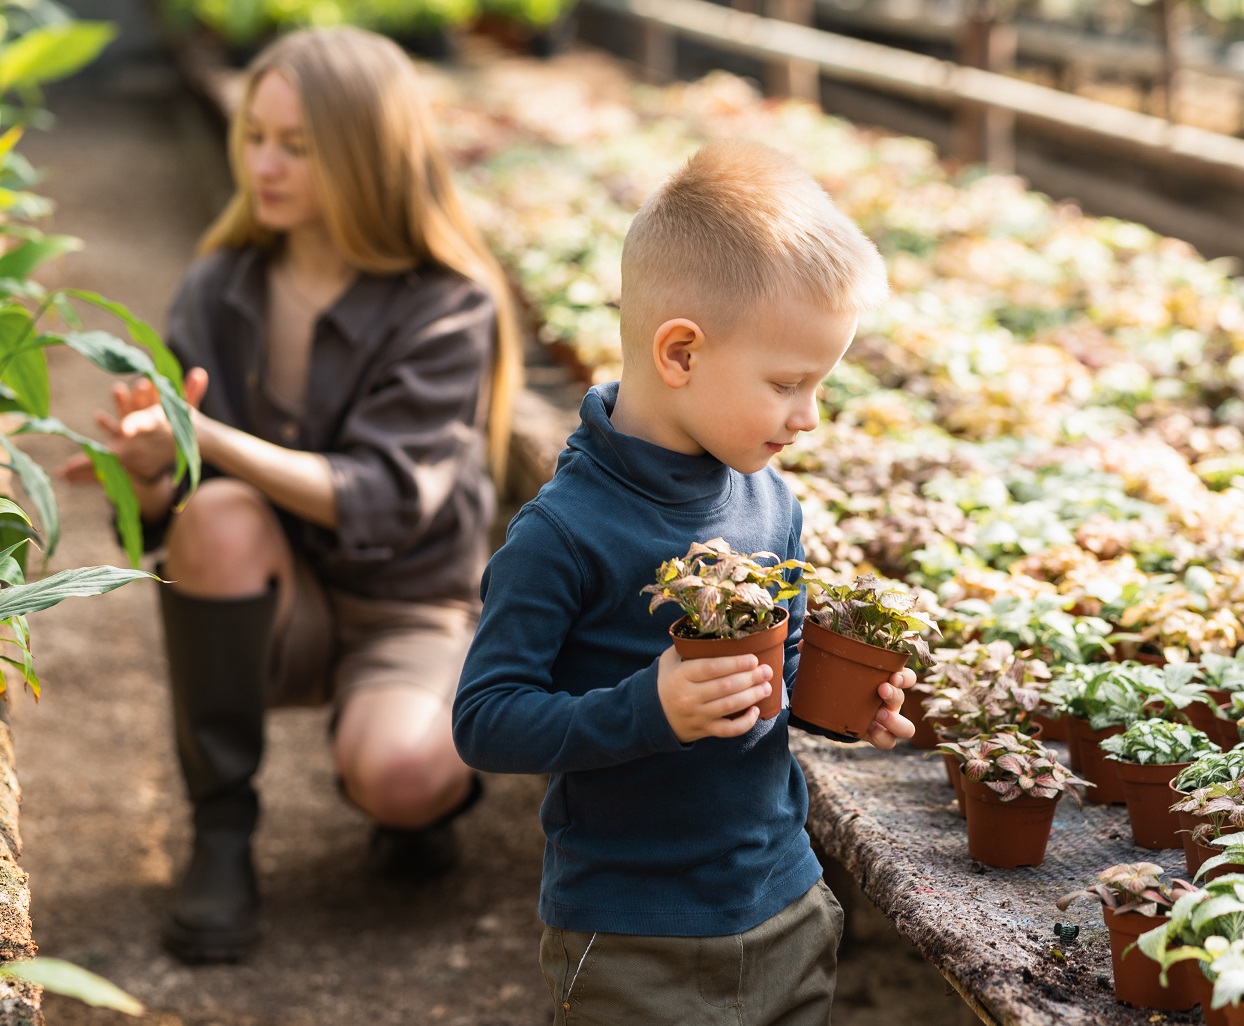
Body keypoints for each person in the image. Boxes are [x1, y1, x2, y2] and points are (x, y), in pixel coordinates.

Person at [64, 27, 522, 965]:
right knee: (218, 514)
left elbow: (388, 500)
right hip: (275, 596)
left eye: (298, 146)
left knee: (398, 772)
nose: (263, 164)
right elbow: (164, 519)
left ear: (367, 155)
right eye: (256, 138)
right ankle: (221, 832)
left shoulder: (447, 303)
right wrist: (151, 467)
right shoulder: (221, 284)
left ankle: (417, 800)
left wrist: (204, 437)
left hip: (409, 605)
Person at [453, 139, 916, 1025]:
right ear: (680, 354)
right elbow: (485, 720)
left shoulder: (770, 502)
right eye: (788, 382)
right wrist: (648, 708)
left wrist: (844, 703)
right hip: (633, 939)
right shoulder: (562, 534)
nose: (809, 416)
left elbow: (771, 688)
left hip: (785, 903)